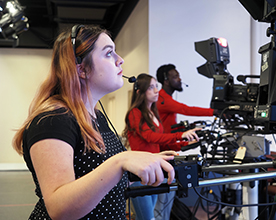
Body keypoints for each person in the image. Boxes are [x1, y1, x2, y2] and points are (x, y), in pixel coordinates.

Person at [12, 25, 177, 220]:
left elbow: (99, 179)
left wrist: (145, 164)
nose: (120, 59)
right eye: (109, 53)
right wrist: (120, 162)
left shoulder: (96, 116)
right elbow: (59, 209)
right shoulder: (52, 120)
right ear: (81, 68)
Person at [123, 73, 201, 220]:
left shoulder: (152, 113)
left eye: (156, 87)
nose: (156, 91)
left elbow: (161, 143)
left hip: (154, 171)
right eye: (151, 87)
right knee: (147, 218)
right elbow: (150, 137)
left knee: (149, 216)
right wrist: (180, 135)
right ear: (140, 92)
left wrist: (185, 145)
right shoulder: (134, 113)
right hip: (140, 173)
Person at [155, 63, 216, 220]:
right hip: (162, 154)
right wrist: (215, 112)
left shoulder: (166, 98)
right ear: (166, 80)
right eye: (175, 76)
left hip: (169, 149)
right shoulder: (163, 99)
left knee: (166, 203)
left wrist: (183, 143)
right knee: (161, 205)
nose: (180, 79)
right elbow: (186, 109)